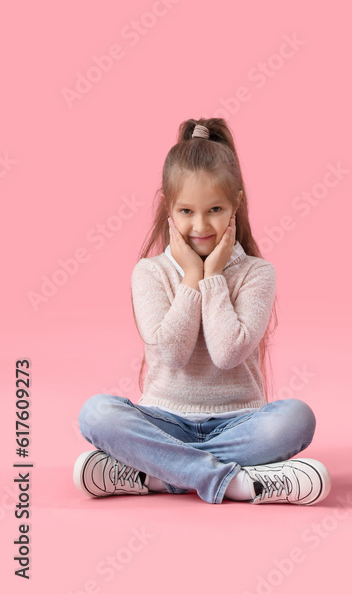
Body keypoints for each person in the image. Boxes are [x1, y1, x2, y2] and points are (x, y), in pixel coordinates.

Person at [73, 117, 330, 505]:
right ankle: (233, 482)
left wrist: (213, 278)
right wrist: (192, 276)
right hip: (163, 422)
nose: (200, 225)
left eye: (214, 209)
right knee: (96, 414)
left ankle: (152, 475)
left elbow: (228, 353)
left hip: (237, 423)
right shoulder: (150, 272)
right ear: (169, 209)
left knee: (296, 419)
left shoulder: (256, 273)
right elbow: (173, 354)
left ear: (236, 205)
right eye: (187, 211)